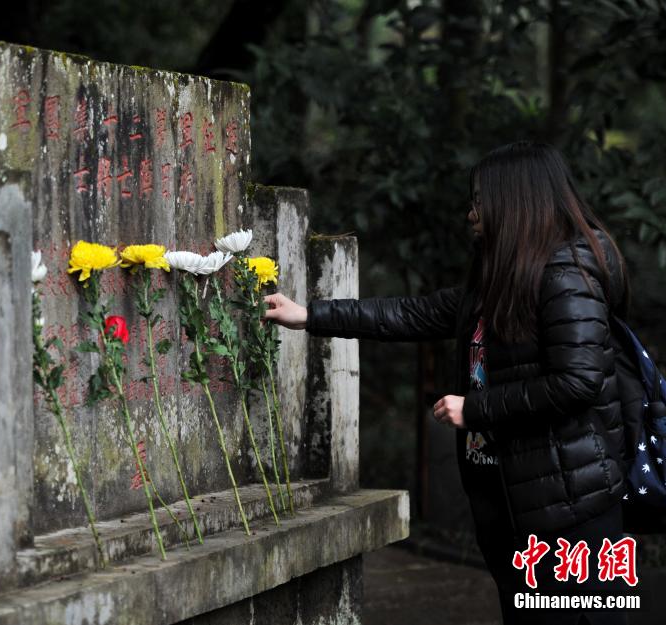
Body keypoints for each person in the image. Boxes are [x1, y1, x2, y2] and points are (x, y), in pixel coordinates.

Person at [264, 141, 631, 625]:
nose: (471, 213)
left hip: (568, 507)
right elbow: (413, 314)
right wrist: (309, 316)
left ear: (515, 201)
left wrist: (475, 409)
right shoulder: (503, 276)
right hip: (509, 495)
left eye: (479, 200)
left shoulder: (566, 274)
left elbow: (577, 382)